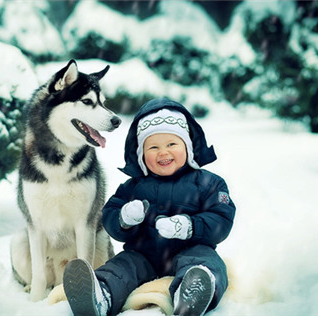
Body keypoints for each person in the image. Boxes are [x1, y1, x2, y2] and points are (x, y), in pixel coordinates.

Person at [63, 98, 236, 316]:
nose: (163, 153)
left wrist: (190, 226)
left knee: (207, 263)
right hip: (143, 253)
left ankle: (193, 291)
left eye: (172, 144)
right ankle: (101, 293)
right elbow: (109, 215)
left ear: (188, 146)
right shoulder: (133, 187)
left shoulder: (209, 183)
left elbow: (221, 218)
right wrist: (123, 218)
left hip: (192, 248)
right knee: (122, 267)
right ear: (141, 154)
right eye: (153, 147)